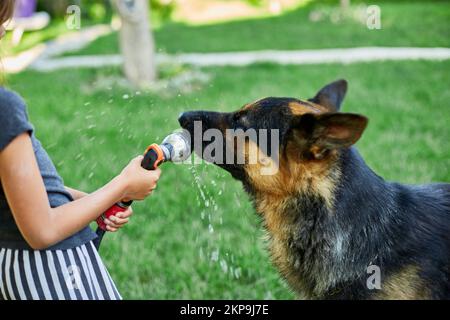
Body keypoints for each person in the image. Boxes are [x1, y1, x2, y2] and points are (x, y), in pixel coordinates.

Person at [0, 0, 161, 300]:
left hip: (15, 266)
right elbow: (42, 231)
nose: (4, 30)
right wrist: (123, 184)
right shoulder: (4, 109)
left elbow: (19, 193)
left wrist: (91, 202)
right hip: (52, 268)